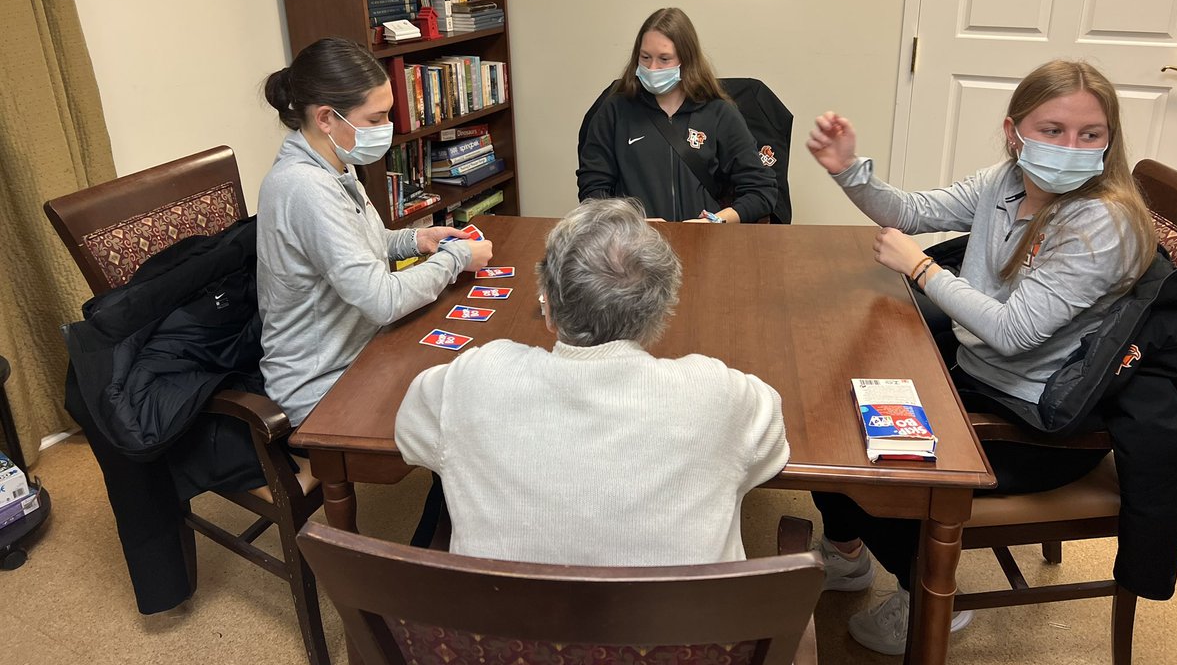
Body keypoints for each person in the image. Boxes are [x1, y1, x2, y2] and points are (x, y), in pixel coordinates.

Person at [804, 59, 1157, 655]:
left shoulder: (1102, 224)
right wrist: (848, 173)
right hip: (976, 380)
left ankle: (928, 596)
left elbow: (1014, 333)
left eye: (1089, 135)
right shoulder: (1009, 182)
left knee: (865, 461)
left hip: (1033, 429)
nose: (1070, 147)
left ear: (1109, 141)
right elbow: (912, 213)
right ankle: (847, 554)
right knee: (834, 401)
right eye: (1052, 130)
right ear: (1014, 131)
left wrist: (920, 267)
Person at [393, 197, 789, 566]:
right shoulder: (717, 391)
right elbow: (770, 445)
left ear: (547, 303)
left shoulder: (475, 376)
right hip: (679, 640)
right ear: (661, 311)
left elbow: (411, 433)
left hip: (502, 637)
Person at [258, 36, 493, 426]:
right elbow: (382, 299)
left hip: (366, 346)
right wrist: (457, 258)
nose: (387, 128)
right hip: (323, 382)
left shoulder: (332, 162)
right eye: (375, 119)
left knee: (474, 380)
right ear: (326, 118)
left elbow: (363, 242)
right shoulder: (304, 187)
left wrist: (420, 239)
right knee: (472, 411)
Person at [577, 8, 778, 223]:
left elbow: (761, 191)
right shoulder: (614, 111)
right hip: (635, 246)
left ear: (687, 60)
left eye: (664, 59)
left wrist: (717, 221)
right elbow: (593, 189)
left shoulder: (720, 113)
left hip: (704, 243)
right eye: (645, 58)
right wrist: (628, 223)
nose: (652, 68)